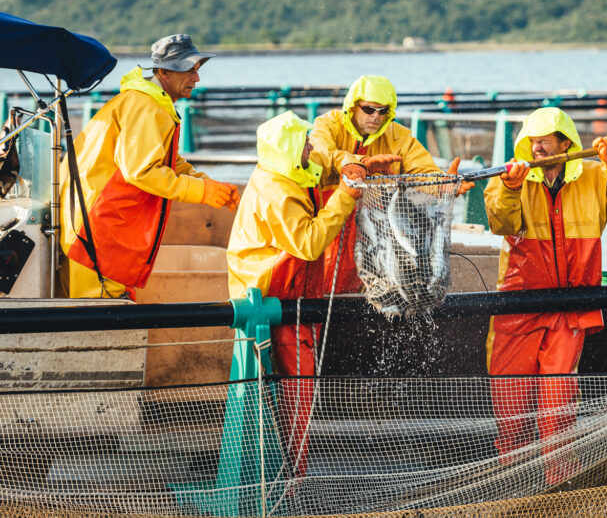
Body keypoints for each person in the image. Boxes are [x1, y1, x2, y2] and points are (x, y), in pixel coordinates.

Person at [483, 107, 607, 485]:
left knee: (557, 413)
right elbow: (500, 222)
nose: (537, 147)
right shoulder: (508, 177)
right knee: (511, 412)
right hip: (517, 308)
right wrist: (510, 188)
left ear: (565, 144)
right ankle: (514, 487)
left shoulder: (595, 176)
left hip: (570, 311)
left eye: (545, 140)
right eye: (533, 140)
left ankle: (560, 487)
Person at [226, 110, 382, 477]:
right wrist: (345, 195)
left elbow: (324, 164)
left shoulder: (285, 168)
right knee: (294, 391)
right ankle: (290, 477)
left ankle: (282, 473)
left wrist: (354, 165)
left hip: (288, 295)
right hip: (274, 297)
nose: (312, 147)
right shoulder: (277, 192)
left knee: (288, 390)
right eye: (306, 143)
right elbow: (309, 243)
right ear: (291, 149)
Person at [59, 33, 239, 300]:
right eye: (189, 70)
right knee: (96, 313)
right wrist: (202, 192)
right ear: (163, 72)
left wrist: (208, 184)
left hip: (94, 226)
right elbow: (141, 171)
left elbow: (168, 161)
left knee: (93, 311)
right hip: (96, 230)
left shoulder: (147, 101)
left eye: (197, 69)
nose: (197, 78)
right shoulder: (145, 106)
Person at [308, 74, 472, 292]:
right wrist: (362, 163)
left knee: (368, 289)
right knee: (319, 288)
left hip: (374, 234)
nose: (376, 116)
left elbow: (423, 171)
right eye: (369, 109)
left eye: (383, 111)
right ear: (352, 106)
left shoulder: (400, 137)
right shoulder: (327, 124)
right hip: (328, 223)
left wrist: (442, 185)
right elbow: (320, 156)